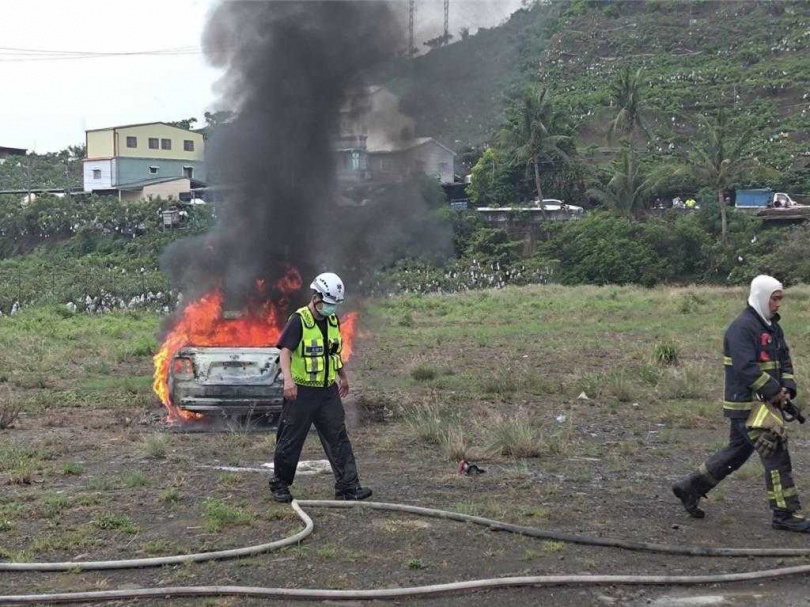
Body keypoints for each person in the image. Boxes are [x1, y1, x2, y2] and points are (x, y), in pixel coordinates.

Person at [672, 275, 809, 532]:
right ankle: (785, 514)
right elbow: (746, 369)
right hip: (749, 407)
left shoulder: (772, 327)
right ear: (761, 296)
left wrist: (787, 389)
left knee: (737, 450)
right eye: (775, 298)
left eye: (780, 298)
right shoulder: (741, 328)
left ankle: (690, 487)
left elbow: (785, 361)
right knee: (776, 454)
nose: (779, 304)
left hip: (763, 405)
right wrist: (773, 391)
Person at [269, 272, 372, 503]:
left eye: (334, 305)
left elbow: (333, 353)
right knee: (290, 439)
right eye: (328, 303)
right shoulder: (299, 320)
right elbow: (285, 351)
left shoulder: (333, 321)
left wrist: (342, 377)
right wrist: (288, 381)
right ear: (316, 298)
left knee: (338, 437)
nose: (331, 308)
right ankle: (280, 485)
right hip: (301, 393)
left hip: (327, 391)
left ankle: (348, 487)